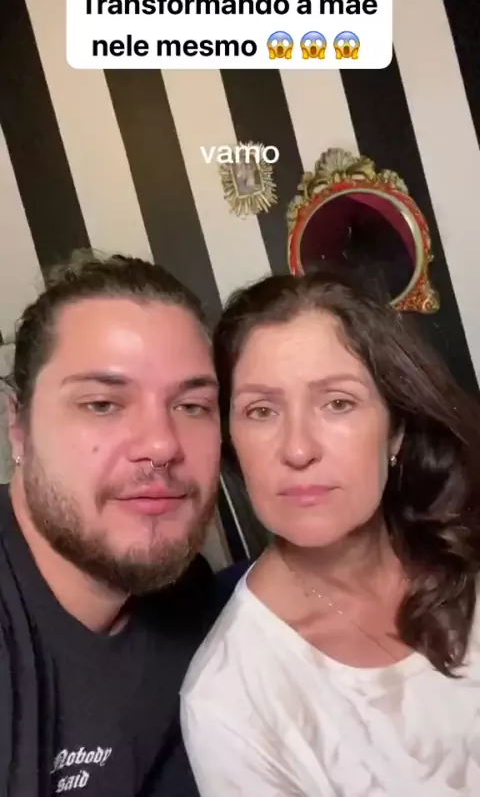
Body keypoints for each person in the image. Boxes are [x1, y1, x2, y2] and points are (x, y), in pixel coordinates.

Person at [180, 269, 480, 796]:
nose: (298, 449)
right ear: (232, 441)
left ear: (396, 429)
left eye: (337, 402)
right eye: (261, 411)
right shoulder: (230, 701)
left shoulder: (465, 551)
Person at [0, 251, 224, 797]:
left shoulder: (192, 598)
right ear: (18, 428)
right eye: (102, 404)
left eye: (192, 406)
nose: (162, 445)